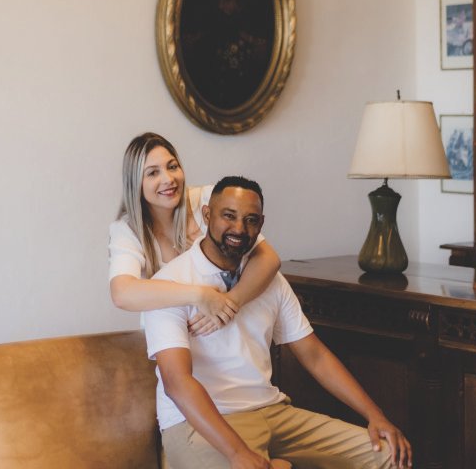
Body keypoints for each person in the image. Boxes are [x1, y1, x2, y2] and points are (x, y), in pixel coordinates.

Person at [143, 176, 413, 469]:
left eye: (251, 220)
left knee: (390, 456)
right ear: (207, 215)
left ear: (261, 224)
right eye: (228, 216)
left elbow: (315, 355)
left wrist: (375, 415)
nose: (239, 229)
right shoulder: (169, 285)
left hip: (272, 412)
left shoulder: (269, 280)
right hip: (198, 424)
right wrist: (237, 452)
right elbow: (177, 383)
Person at [108, 133, 281, 334]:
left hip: (223, 328)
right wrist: (200, 296)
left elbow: (268, 259)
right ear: (135, 183)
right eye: (153, 173)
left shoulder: (206, 200)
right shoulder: (126, 230)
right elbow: (122, 293)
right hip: (171, 332)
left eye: (172, 166)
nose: (168, 179)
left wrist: (228, 304)